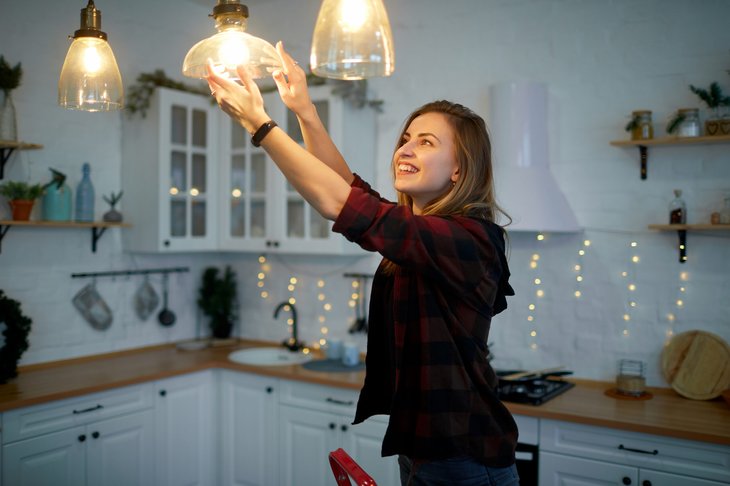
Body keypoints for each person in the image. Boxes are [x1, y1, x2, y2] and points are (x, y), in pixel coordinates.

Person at [206, 42, 519, 486]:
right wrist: (304, 110)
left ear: (458, 169)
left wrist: (260, 124)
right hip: (425, 453)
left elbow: (341, 203)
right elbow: (350, 190)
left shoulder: (471, 239)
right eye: (405, 139)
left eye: (425, 142)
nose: (405, 149)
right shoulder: (419, 233)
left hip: (466, 456)